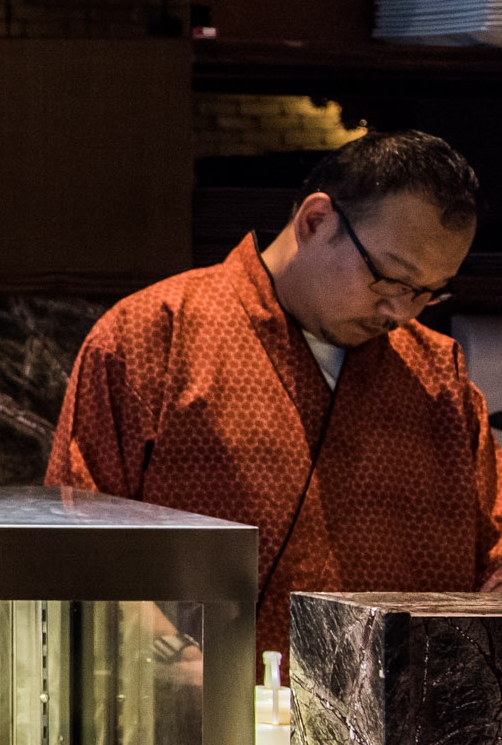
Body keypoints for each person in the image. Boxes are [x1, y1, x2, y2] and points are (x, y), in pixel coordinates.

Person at [48, 129, 499, 655]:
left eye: (428, 293)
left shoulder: (439, 379)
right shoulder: (151, 336)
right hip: (192, 696)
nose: (400, 311)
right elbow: (81, 539)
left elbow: (493, 557)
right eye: (390, 278)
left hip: (403, 706)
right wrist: (174, 662)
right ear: (315, 221)